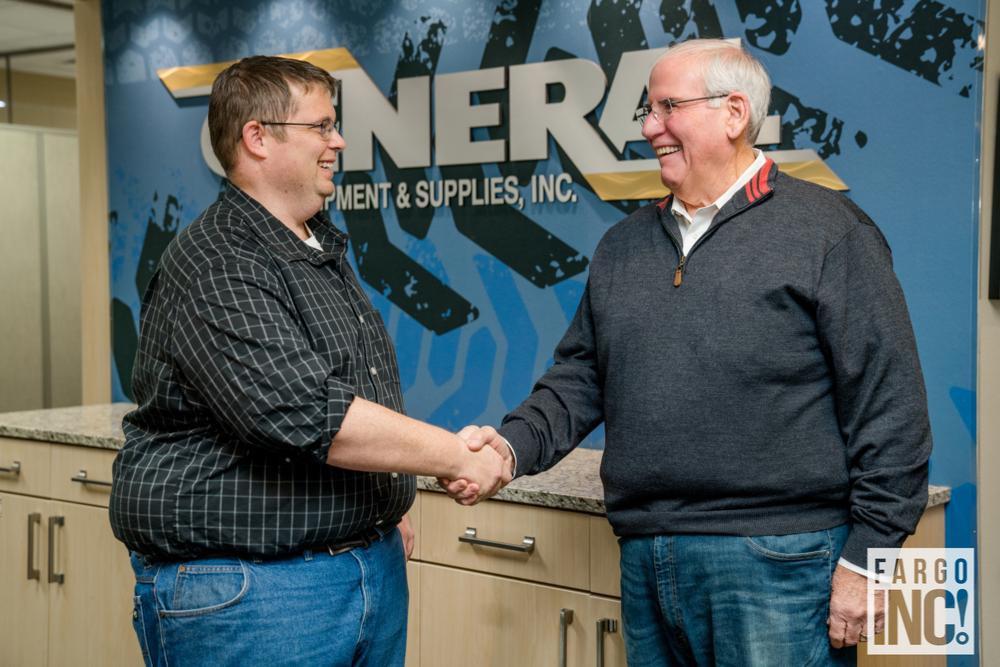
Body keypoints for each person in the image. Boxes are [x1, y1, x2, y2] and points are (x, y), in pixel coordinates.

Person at [443, 39, 931, 665]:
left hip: (780, 563)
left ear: (733, 114)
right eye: (647, 111)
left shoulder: (830, 232)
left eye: (667, 106)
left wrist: (869, 561)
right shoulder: (622, 247)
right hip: (647, 556)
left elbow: (892, 410)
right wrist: (509, 448)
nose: (650, 128)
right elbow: (581, 377)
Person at [109, 55, 507, 667]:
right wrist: (457, 456)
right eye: (321, 126)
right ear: (257, 138)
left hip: (356, 571)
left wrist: (378, 510)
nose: (338, 140)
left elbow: (345, 389)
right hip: (255, 597)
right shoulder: (218, 260)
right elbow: (302, 411)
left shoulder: (313, 242)